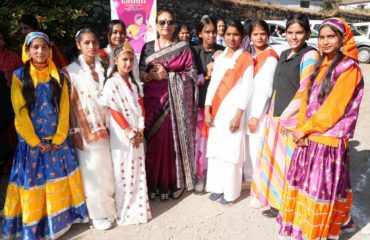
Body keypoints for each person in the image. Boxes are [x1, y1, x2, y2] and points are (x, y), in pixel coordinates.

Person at [279, 17, 364, 240]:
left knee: (319, 192)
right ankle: (303, 231)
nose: (325, 42)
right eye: (322, 37)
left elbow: (332, 110)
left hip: (328, 141)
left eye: (331, 37)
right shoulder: (320, 64)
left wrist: (305, 129)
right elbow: (305, 97)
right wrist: (300, 128)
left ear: (342, 39)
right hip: (309, 137)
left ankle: (316, 234)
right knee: (305, 190)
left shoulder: (349, 68)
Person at [1, 32, 88, 239]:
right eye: (35, 47)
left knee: (59, 179)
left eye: (44, 47)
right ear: (28, 50)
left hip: (58, 143)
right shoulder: (18, 77)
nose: (40, 51)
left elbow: (65, 108)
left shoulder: (59, 76)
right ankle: (37, 226)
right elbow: (19, 113)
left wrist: (59, 138)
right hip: (32, 145)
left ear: (50, 50)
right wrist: (35, 141)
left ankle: (61, 223)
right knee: (34, 184)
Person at [251, 14, 319, 218]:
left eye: (299, 32)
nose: (294, 37)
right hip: (276, 117)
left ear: (307, 33)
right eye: (290, 32)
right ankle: (276, 202)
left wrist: (286, 117)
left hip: (292, 122)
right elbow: (277, 87)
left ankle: (289, 205)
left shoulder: (310, 55)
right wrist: (272, 113)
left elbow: (305, 89)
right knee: (275, 163)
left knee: (291, 165)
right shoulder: (284, 54)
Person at [139, 10, 198, 200]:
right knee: (154, 144)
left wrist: (171, 75)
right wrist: (151, 76)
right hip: (153, 103)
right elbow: (141, 74)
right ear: (156, 25)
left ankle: (175, 182)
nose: (166, 25)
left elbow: (191, 75)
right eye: (162, 22)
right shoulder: (148, 48)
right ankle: (153, 184)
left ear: (174, 26)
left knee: (173, 143)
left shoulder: (183, 48)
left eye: (170, 22)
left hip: (175, 106)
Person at [65, 28, 116, 230]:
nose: (91, 46)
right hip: (85, 127)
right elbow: (69, 104)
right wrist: (74, 131)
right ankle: (97, 213)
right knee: (92, 170)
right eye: (86, 43)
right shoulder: (71, 71)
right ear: (78, 45)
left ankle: (110, 209)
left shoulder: (104, 65)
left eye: (94, 42)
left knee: (108, 169)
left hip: (108, 124)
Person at [102, 40, 152, 225]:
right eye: (124, 59)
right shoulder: (112, 83)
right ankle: (125, 209)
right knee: (123, 169)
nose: (128, 63)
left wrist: (140, 129)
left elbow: (141, 106)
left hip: (136, 131)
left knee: (138, 169)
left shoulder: (133, 83)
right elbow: (113, 109)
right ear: (116, 60)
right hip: (122, 134)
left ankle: (139, 209)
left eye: (131, 60)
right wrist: (129, 131)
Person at [204, 19, 254, 205]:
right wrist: (208, 108)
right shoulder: (219, 58)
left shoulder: (246, 59)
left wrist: (239, 114)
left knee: (231, 152)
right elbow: (213, 86)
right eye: (228, 34)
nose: (232, 38)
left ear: (241, 37)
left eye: (236, 34)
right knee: (217, 150)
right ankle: (217, 187)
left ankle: (231, 192)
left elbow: (247, 89)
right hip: (217, 111)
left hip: (234, 112)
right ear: (222, 36)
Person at [243, 20, 278, 206]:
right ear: (250, 36)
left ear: (268, 35)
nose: (259, 37)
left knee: (258, 151)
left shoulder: (270, 56)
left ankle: (260, 193)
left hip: (259, 112)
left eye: (263, 33)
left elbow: (265, 88)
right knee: (249, 150)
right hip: (247, 110)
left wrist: (255, 114)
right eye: (255, 34)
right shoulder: (251, 55)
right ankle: (252, 185)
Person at [192, 16, 224, 193]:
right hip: (198, 105)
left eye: (213, 31)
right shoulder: (193, 52)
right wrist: (207, 74)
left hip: (217, 106)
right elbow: (189, 78)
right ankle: (199, 174)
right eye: (207, 32)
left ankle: (213, 174)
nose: (211, 35)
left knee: (214, 142)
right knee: (199, 143)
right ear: (199, 33)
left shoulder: (222, 50)